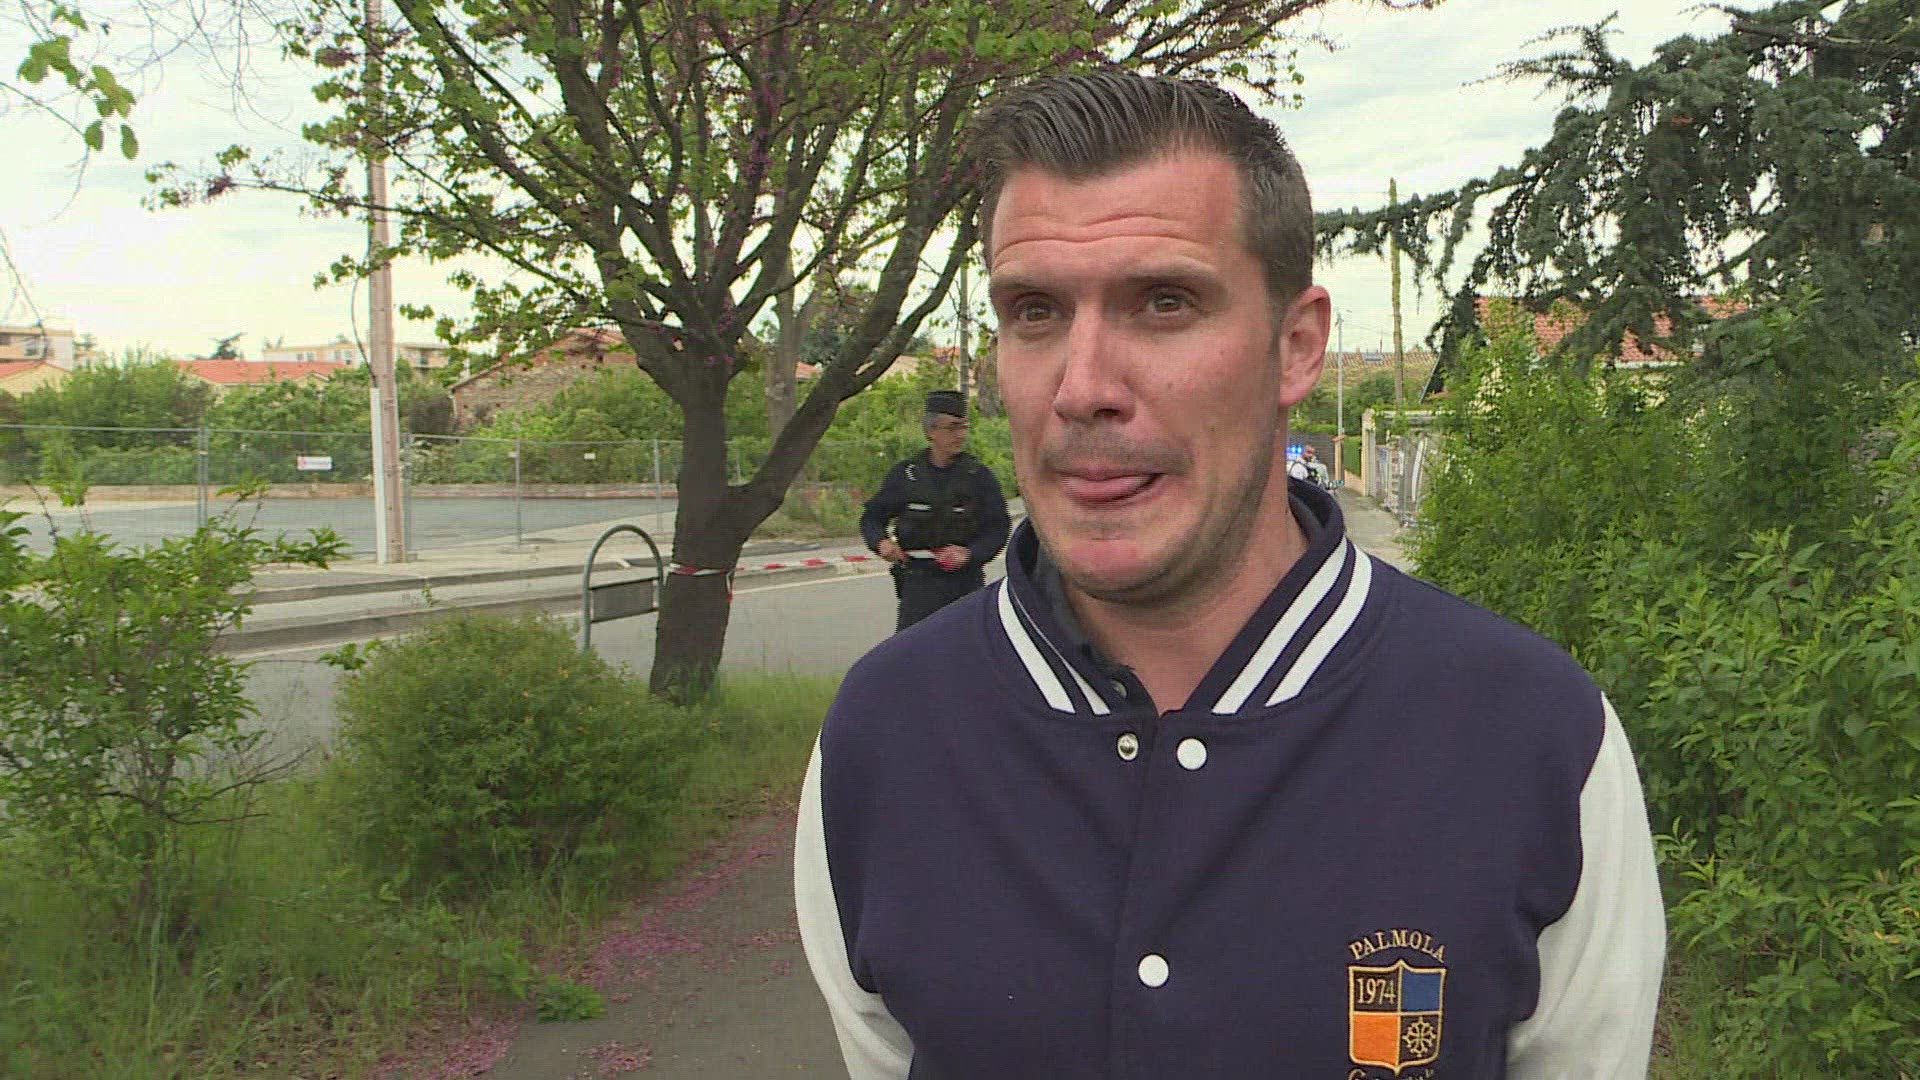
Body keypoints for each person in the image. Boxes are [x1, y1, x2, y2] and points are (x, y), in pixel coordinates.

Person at [798, 71, 1664, 1079]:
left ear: (1296, 348)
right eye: (1034, 310)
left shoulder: (1536, 742)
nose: (1083, 387)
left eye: (1164, 303)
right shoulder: (881, 741)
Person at [859, 390, 1011, 631]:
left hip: (964, 585)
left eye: (964, 427)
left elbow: (998, 528)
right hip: (918, 583)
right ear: (931, 432)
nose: (960, 435)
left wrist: (970, 554)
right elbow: (872, 518)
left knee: (967, 648)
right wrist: (881, 542)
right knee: (913, 649)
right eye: (952, 428)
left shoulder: (978, 477)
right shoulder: (907, 475)